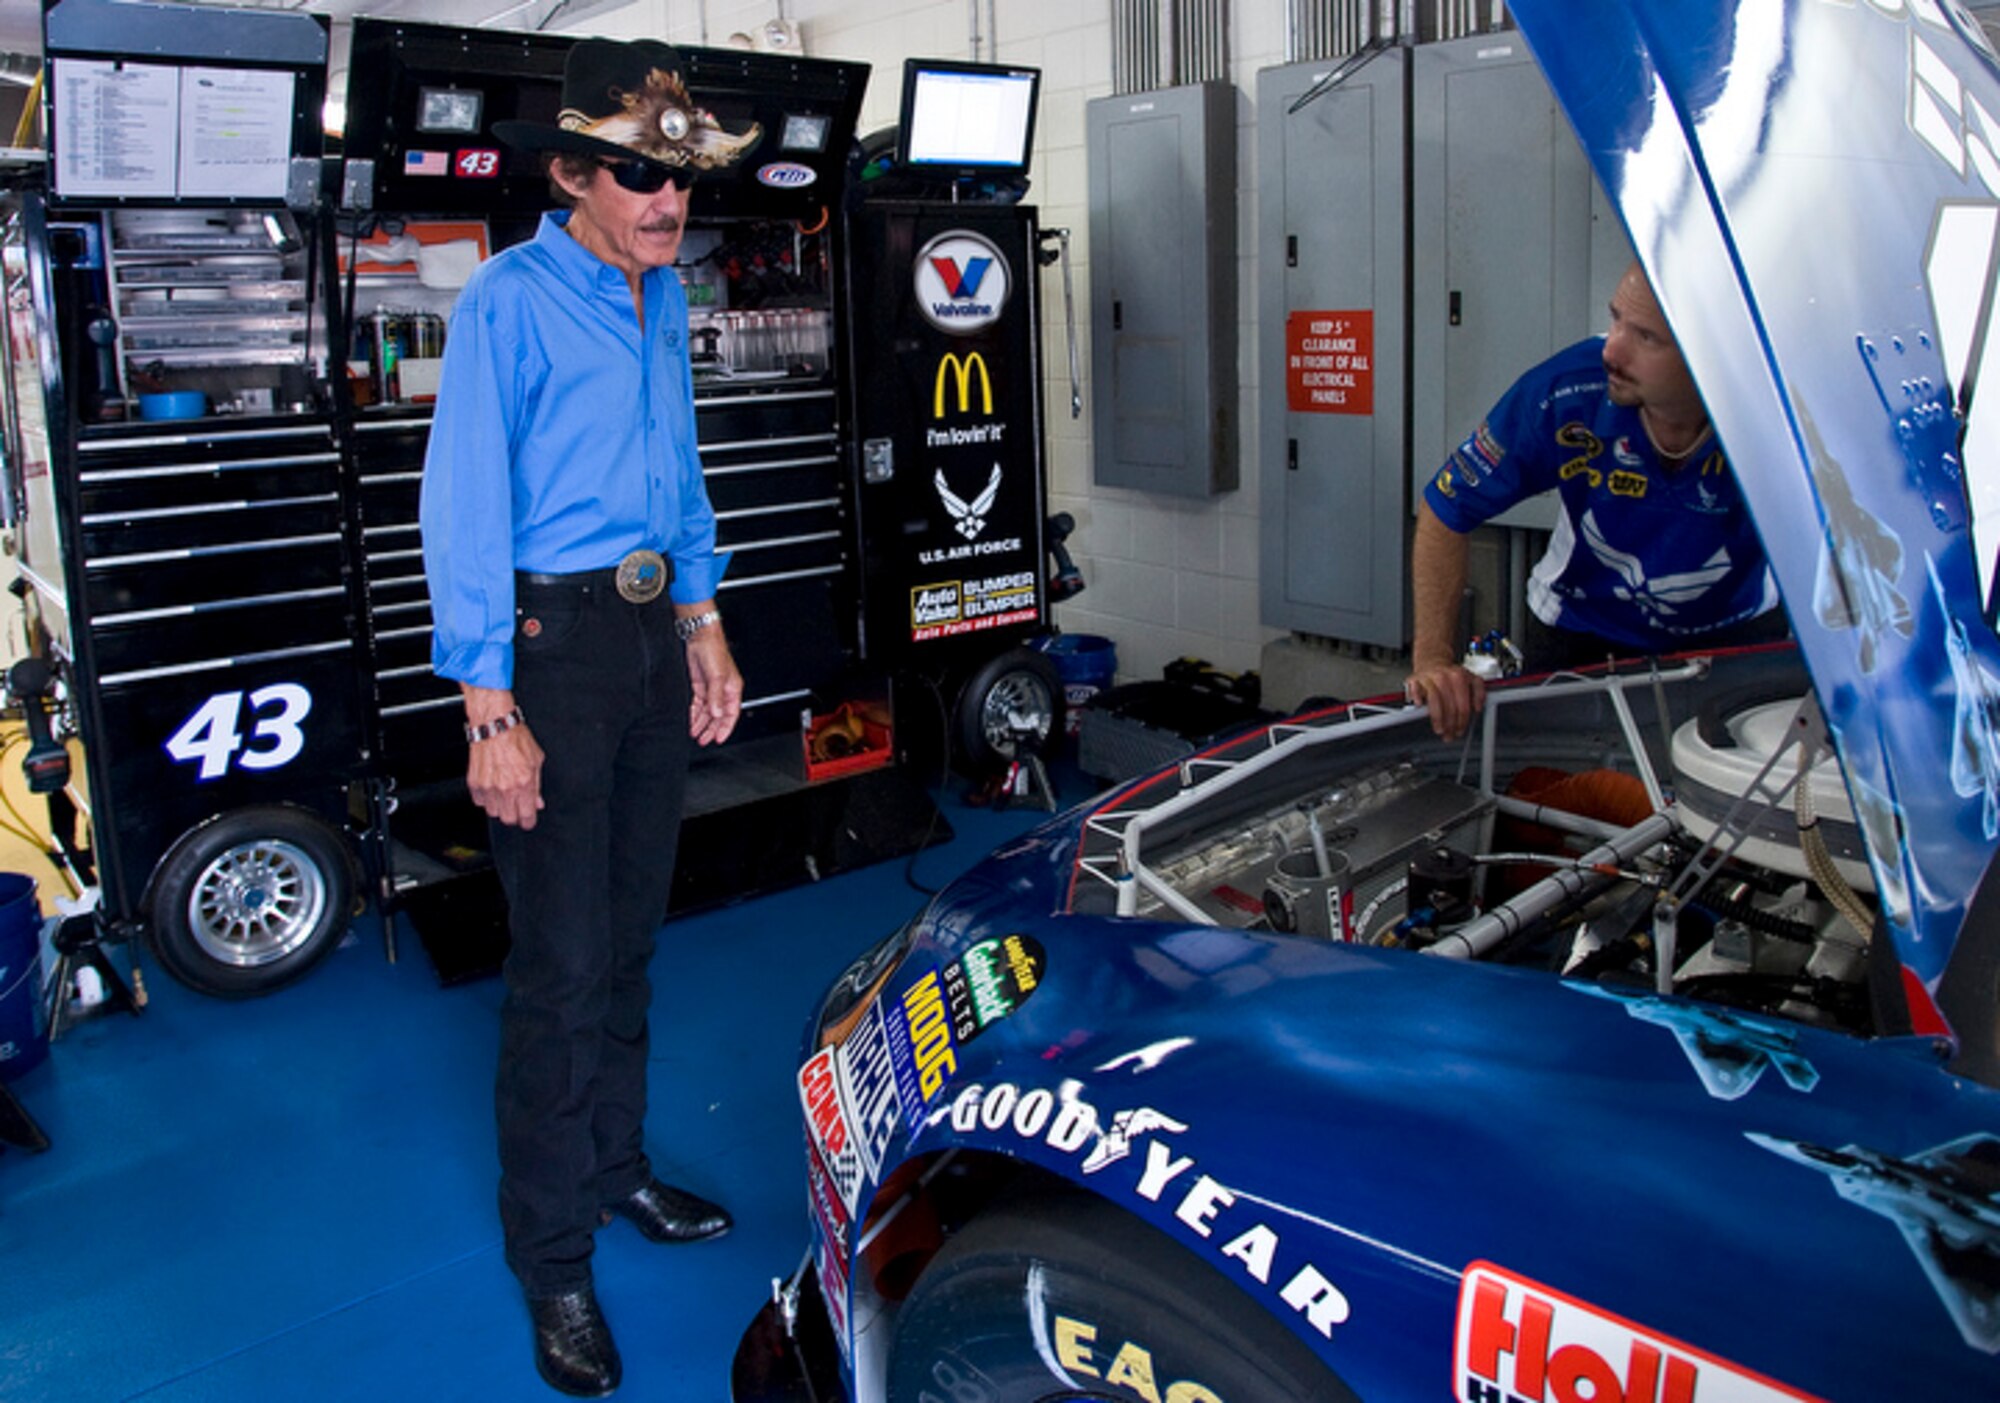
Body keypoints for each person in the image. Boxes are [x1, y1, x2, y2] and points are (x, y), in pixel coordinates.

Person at [419, 38, 758, 1398]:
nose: (666, 201)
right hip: (548, 650)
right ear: (571, 171)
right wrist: (487, 703)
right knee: (559, 966)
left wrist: (703, 618)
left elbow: (676, 472)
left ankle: (616, 1171)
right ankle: (553, 1256)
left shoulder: (657, 296)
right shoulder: (505, 301)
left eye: (677, 177)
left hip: (647, 633)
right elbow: (464, 502)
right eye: (638, 175)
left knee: (626, 936)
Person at [1406, 261, 1782, 739]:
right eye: (1615, 318)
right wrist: (1433, 659)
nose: (1612, 349)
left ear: (1712, 354)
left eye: (1646, 337)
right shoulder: (1567, 391)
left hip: (1736, 634)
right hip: (1581, 634)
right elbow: (1447, 504)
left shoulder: (1778, 410)